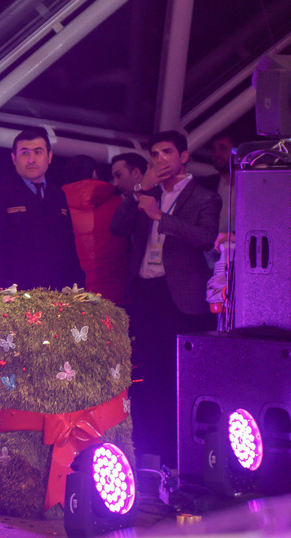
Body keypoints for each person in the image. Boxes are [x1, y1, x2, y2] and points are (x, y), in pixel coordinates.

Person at [110, 130, 220, 466]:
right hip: (145, 292)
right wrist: (138, 192)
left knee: (181, 377)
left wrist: (161, 217)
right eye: (155, 154)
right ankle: (151, 452)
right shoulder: (148, 193)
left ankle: (182, 455)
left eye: (167, 152)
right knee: (150, 376)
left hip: (182, 297)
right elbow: (118, 228)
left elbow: (206, 237)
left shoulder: (204, 196)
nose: (160, 160)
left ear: (183, 157)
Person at [0, 127, 84, 291]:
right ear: (14, 158)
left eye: (38, 152)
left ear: (49, 157)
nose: (31, 159)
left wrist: (77, 283)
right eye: (24, 153)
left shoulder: (57, 194)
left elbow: (68, 243)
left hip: (57, 291)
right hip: (16, 293)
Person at [61, 155, 127, 305]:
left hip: (75, 291)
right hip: (114, 290)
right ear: (95, 173)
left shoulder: (59, 206)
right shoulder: (120, 203)